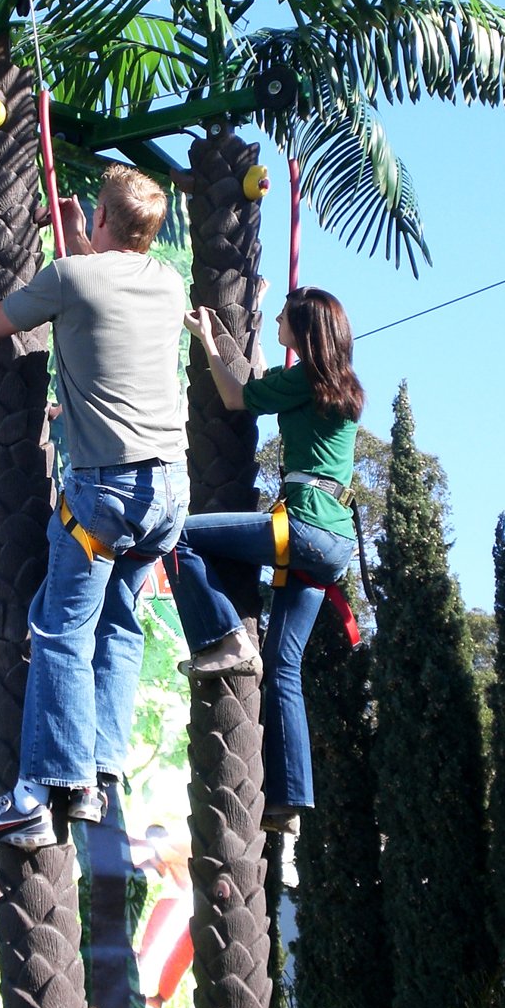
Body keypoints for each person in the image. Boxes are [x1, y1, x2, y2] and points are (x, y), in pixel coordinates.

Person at [0, 164, 189, 849]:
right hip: (167, 495)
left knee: (59, 633)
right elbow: (104, 287)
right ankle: (99, 771)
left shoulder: (70, 275)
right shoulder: (167, 284)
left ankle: (38, 792)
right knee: (118, 625)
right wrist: (84, 238)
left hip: (104, 496)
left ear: (105, 220)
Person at [166, 286, 362, 834]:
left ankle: (225, 637)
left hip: (301, 528)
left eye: (282, 317)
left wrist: (208, 337)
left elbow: (235, 396)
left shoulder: (302, 381)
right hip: (334, 544)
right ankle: (290, 802)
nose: (275, 321)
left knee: (176, 537)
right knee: (284, 666)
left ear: (303, 331)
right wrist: (255, 304)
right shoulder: (339, 387)